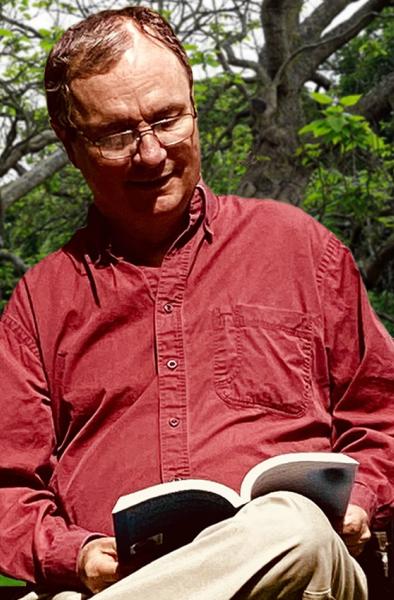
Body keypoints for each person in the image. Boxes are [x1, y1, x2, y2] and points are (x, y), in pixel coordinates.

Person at [0, 6, 393, 600]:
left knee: (295, 529)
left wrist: (360, 505)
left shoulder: (301, 251)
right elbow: (6, 485)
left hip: (300, 573)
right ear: (71, 143)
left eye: (167, 119)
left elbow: (383, 421)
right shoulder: (40, 304)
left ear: (194, 108)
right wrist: (76, 556)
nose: (152, 153)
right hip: (111, 582)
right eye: (117, 133)